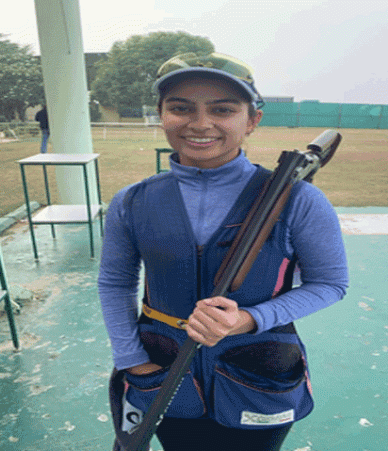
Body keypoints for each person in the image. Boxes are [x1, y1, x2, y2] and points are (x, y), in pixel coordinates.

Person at [98, 52, 349, 451]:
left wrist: (251, 318)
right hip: (160, 368)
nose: (200, 124)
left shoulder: (299, 200)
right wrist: (132, 360)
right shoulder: (132, 201)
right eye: (181, 108)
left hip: (260, 373)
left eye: (223, 109)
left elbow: (330, 284)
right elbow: (115, 283)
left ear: (251, 120)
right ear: (162, 115)